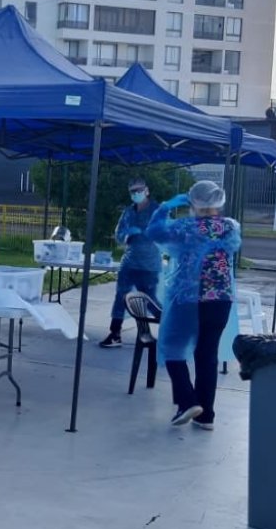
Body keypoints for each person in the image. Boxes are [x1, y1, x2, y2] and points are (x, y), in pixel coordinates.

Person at [145, 181, 241, 430]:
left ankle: (187, 401)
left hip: (190, 298)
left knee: (171, 346)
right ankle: (206, 416)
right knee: (207, 353)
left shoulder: (186, 227)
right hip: (221, 299)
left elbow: (154, 233)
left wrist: (164, 208)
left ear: (192, 201)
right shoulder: (230, 227)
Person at [99, 177, 162, 349]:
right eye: (133, 191)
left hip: (149, 264)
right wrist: (126, 234)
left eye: (139, 190)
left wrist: (148, 233)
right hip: (129, 262)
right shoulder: (128, 212)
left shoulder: (157, 211)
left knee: (149, 300)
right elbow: (119, 234)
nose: (136, 194)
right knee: (121, 297)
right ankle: (115, 333)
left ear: (146, 190)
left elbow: (165, 234)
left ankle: (168, 330)